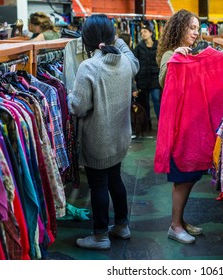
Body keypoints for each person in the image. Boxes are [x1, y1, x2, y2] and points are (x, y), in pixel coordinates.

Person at [155, 9, 223, 244]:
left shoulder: (191, 53)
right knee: (183, 179)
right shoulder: (170, 55)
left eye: (198, 28)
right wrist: (176, 57)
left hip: (192, 129)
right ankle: (175, 226)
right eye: (192, 28)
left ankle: (180, 221)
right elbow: (165, 83)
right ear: (180, 28)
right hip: (179, 130)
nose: (196, 33)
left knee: (188, 178)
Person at [67, 14, 139, 250]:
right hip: (119, 137)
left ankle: (99, 236)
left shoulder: (89, 67)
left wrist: (67, 95)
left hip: (98, 139)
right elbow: (131, 57)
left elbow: (78, 106)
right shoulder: (126, 63)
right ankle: (122, 225)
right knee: (115, 179)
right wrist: (115, 39)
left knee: (98, 184)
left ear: (85, 40)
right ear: (112, 36)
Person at [133, 23, 161, 127]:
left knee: (156, 99)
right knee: (144, 103)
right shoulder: (139, 47)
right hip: (142, 79)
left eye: (145, 32)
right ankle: (147, 123)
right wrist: (135, 79)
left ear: (150, 32)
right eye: (141, 33)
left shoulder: (158, 46)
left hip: (155, 78)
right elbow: (134, 62)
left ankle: (161, 122)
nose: (143, 34)